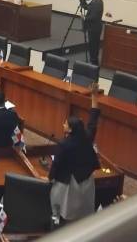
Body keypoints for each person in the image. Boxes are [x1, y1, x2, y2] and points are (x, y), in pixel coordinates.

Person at [49, 83, 100, 222]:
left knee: (67, 210)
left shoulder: (64, 144)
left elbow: (56, 164)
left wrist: (49, 178)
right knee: (84, 211)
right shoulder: (87, 137)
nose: (63, 124)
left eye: (65, 123)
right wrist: (94, 96)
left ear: (70, 129)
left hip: (71, 183)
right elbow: (93, 119)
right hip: (87, 179)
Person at [83, 0, 104, 65]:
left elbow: (94, 16)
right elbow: (87, 8)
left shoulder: (98, 2)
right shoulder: (94, 0)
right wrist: (82, 0)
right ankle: (93, 61)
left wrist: (84, 18)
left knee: (94, 45)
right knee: (92, 45)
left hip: (95, 28)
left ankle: (94, 63)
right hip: (92, 27)